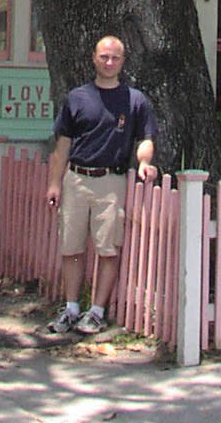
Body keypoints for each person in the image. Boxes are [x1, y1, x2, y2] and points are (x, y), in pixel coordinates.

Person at [45, 34, 157, 335]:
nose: (109, 62)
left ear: (123, 62)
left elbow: (145, 139)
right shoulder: (77, 99)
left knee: (108, 249)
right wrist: (55, 183)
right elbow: (62, 146)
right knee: (71, 247)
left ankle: (96, 311)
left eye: (115, 58)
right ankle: (71, 308)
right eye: (104, 57)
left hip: (111, 181)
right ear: (94, 58)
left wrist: (145, 163)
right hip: (77, 179)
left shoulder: (134, 100)